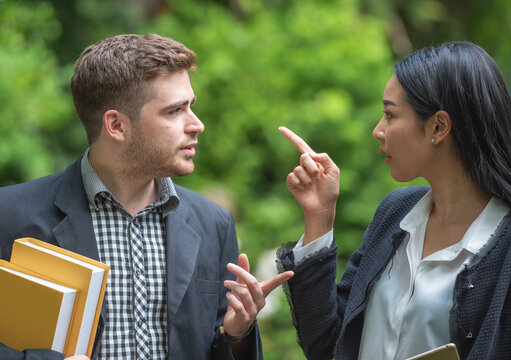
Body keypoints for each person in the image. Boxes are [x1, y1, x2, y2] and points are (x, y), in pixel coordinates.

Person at [0, 33, 293, 360]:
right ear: (116, 126)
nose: (197, 125)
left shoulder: (214, 224)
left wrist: (237, 334)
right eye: (174, 111)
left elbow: (217, 346)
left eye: (190, 107)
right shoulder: (10, 216)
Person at [276, 41, 511, 360]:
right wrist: (319, 217)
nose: (377, 130)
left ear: (438, 126)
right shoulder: (396, 212)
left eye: (389, 114)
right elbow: (327, 345)